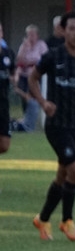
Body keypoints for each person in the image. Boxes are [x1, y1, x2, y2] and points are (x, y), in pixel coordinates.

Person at [29, 11, 75, 242]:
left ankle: (42, 219)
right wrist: (43, 102)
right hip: (56, 125)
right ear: (63, 31)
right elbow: (32, 78)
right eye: (71, 28)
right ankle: (67, 221)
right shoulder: (53, 56)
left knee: (63, 175)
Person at [13, 24, 47, 132]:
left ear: (37, 35)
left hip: (36, 76)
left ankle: (32, 122)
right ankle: (26, 120)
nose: (31, 37)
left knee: (33, 98)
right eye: (29, 35)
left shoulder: (41, 45)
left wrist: (31, 62)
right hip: (24, 75)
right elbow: (20, 61)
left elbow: (44, 59)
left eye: (33, 34)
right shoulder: (24, 46)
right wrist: (25, 48)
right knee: (25, 97)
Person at [0, 25, 14, 154]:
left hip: (3, 105)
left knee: (4, 145)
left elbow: (14, 70)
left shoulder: (8, 54)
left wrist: (16, 77)